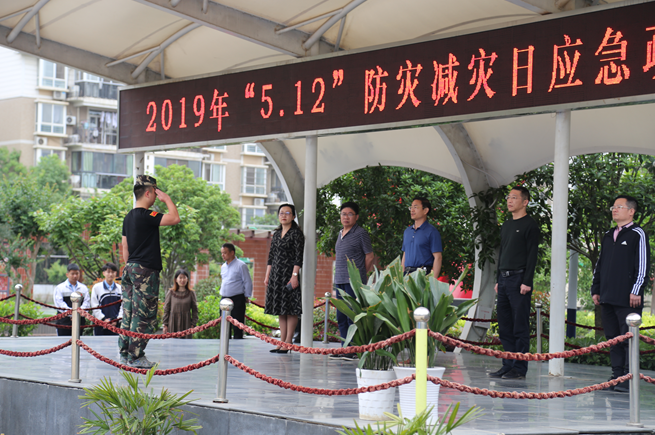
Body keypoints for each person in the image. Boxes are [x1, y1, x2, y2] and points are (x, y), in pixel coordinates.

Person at [118, 174, 180, 368]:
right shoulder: (147, 215)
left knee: (129, 313)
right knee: (144, 314)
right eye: (155, 192)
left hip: (130, 268)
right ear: (148, 193)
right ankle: (136, 356)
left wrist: (131, 268)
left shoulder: (128, 217)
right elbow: (175, 218)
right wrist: (167, 199)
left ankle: (125, 354)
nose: (156, 196)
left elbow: (125, 247)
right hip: (145, 271)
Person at [591, 195, 650, 393]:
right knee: (613, 339)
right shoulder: (609, 234)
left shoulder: (638, 234)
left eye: (619, 207)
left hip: (628, 299)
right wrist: (596, 289)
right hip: (607, 296)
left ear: (631, 211)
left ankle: (628, 378)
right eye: (613, 207)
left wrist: (636, 290)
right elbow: (600, 264)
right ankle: (616, 376)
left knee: (627, 340)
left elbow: (643, 265)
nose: (614, 210)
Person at [489, 186, 539, 380]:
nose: (509, 200)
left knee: (520, 326)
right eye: (508, 197)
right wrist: (498, 279)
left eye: (514, 197)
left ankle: (519, 368)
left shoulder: (530, 225)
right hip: (503, 279)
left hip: (519, 280)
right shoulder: (507, 225)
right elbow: (502, 253)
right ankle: (507, 364)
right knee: (504, 325)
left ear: (525, 202)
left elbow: (532, 255)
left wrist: (527, 281)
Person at [330, 201, 374, 361]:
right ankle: (344, 348)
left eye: (350, 214)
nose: (346, 217)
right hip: (340, 280)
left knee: (352, 316)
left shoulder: (361, 233)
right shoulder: (340, 233)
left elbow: (369, 256)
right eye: (343, 214)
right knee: (341, 316)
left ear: (356, 217)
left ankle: (353, 349)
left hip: (353, 282)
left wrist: (360, 276)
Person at [264, 203, 304, 353]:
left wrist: (294, 276)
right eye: (281, 213)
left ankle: (288, 342)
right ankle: (281, 342)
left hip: (289, 273)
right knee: (281, 309)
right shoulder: (276, 234)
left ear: (293, 216)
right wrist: (267, 275)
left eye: (287, 213)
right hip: (276, 275)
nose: (284, 215)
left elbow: (298, 257)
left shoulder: (296, 234)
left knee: (291, 308)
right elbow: (271, 257)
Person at [401, 197, 442, 277]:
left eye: (415, 207)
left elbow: (438, 257)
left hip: (423, 275)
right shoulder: (407, 231)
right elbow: (404, 255)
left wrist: (432, 281)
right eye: (411, 207)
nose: (412, 210)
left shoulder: (432, 232)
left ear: (425, 210)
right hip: (407, 276)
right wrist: (401, 277)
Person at [220, 243, 253, 339]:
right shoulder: (223, 266)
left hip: (237, 298)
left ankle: (238, 346)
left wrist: (246, 296)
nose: (222, 255)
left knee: (237, 326)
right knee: (224, 325)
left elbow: (247, 281)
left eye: (225, 253)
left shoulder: (241, 265)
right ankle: (224, 346)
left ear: (232, 253)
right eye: (222, 253)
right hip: (224, 299)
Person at [53, 263, 90, 337]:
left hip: (79, 320)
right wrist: (71, 314)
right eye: (72, 274)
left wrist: (77, 314)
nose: (75, 276)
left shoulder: (83, 288)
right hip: (64, 320)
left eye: (77, 273)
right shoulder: (60, 288)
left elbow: (87, 302)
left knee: (78, 341)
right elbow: (59, 303)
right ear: (67, 274)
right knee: (63, 341)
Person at [162, 269, 198, 339]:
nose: (182, 280)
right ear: (176, 280)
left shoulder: (191, 293)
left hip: (186, 324)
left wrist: (193, 324)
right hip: (173, 323)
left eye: (184, 277)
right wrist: (165, 325)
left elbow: (195, 310)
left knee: (186, 344)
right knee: (173, 343)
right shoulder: (171, 293)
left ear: (187, 279)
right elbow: (166, 309)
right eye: (180, 277)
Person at [90, 263, 123, 336]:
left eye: (112, 272)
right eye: (108, 272)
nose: (110, 274)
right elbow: (94, 305)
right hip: (100, 325)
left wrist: (117, 320)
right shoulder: (97, 288)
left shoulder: (120, 288)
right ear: (104, 273)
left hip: (116, 325)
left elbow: (123, 306)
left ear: (115, 273)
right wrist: (103, 319)